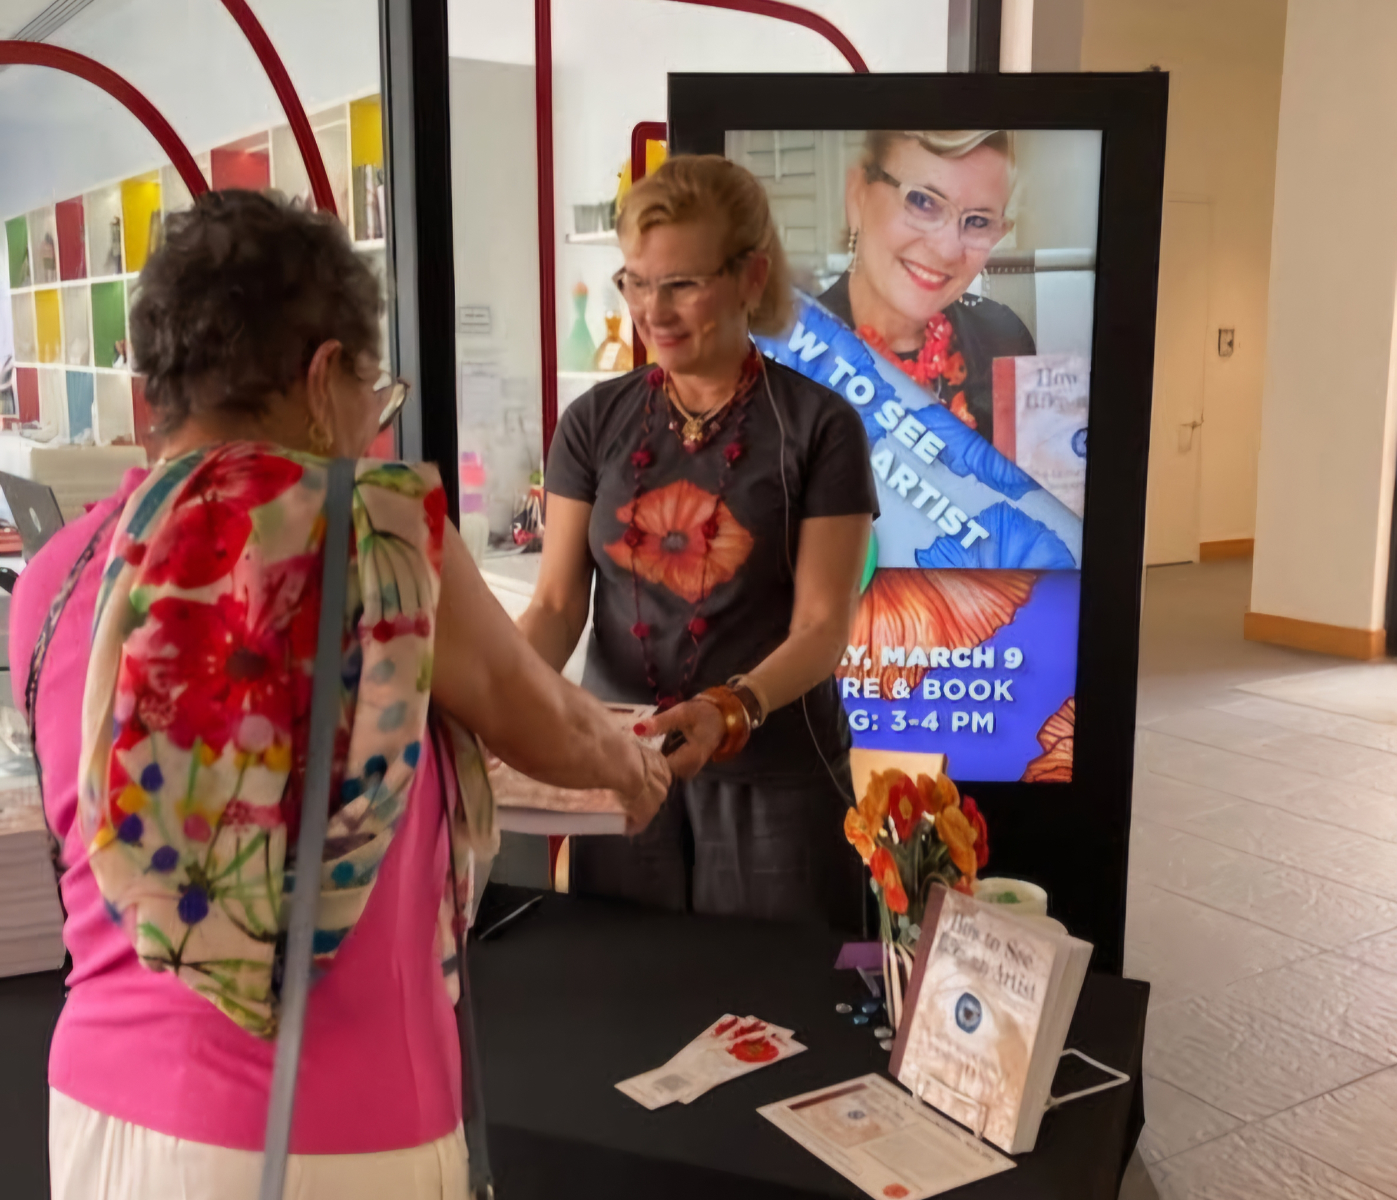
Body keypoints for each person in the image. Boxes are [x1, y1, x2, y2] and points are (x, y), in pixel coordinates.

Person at [12, 190, 670, 1199]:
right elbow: (540, 714)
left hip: (101, 1116)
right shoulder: (375, 536)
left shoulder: (56, 578)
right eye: (376, 391)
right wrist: (635, 766)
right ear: (323, 380)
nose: (375, 421)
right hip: (334, 1137)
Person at [519, 155, 877, 930]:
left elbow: (822, 627)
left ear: (750, 276)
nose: (654, 310)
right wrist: (490, 708)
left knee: (781, 1009)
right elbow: (553, 605)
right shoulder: (592, 424)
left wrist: (733, 708)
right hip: (620, 765)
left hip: (775, 778)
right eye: (636, 282)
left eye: (681, 284)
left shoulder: (820, 428)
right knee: (623, 1002)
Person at [819, 129, 1033, 443]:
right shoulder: (784, 354)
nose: (947, 250)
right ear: (857, 196)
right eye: (922, 201)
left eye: (978, 221)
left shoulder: (1004, 342)